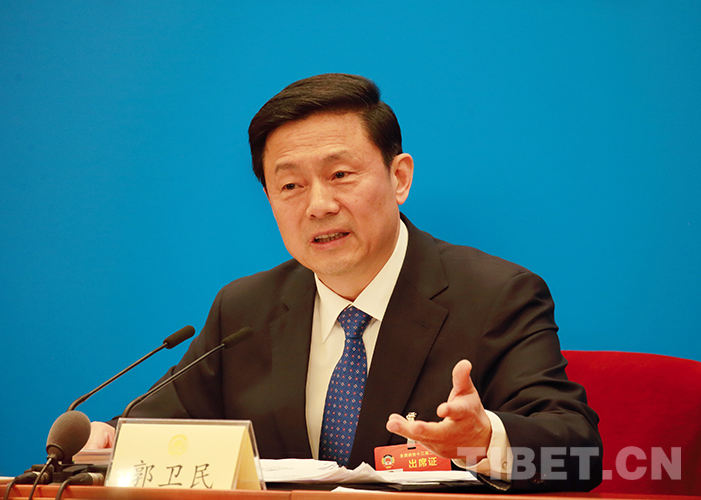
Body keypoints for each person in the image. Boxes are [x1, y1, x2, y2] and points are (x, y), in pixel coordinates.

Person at [86, 73, 602, 491]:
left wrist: (484, 440)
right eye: (291, 185)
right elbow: (153, 430)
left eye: (340, 175)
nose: (318, 205)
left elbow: (579, 455)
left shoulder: (496, 296)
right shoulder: (245, 309)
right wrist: (103, 440)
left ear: (399, 178)